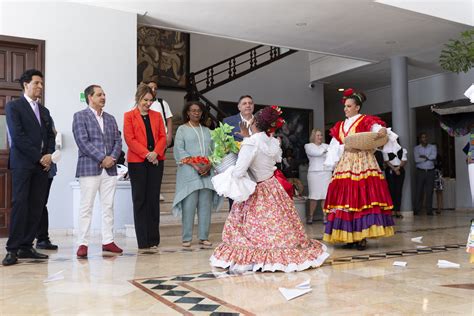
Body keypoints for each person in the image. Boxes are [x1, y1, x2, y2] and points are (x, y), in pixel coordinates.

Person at [210, 106, 329, 273]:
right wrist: (246, 137)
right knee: (279, 223)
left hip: (257, 189)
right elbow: (263, 153)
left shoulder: (251, 143)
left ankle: (259, 256)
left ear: (254, 121)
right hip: (273, 187)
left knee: (253, 227)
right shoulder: (272, 141)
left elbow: (239, 172)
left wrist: (226, 170)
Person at [323, 88, 397, 251]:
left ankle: (362, 236)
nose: (345, 109)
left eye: (349, 106)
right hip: (346, 162)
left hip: (363, 162)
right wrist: (342, 151)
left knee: (362, 198)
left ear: (357, 107)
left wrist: (382, 131)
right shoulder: (340, 126)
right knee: (346, 198)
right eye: (345, 106)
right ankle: (349, 235)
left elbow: (379, 130)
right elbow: (334, 146)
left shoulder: (365, 120)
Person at [2, 69, 55, 266]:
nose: (40, 86)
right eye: (37, 83)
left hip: (42, 167)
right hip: (23, 165)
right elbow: (18, 137)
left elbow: (50, 136)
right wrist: (40, 157)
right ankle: (12, 249)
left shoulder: (45, 111)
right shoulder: (14, 107)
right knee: (21, 205)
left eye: (41, 83)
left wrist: (49, 155)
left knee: (36, 206)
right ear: (26, 84)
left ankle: (26, 246)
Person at [72, 85, 123, 258]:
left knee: (108, 206)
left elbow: (118, 141)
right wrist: (103, 158)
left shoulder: (111, 118)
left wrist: (112, 158)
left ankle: (108, 241)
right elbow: (82, 142)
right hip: (90, 167)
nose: (103, 97)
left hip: (110, 170)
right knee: (86, 207)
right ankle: (83, 244)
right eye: (99, 94)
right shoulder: (80, 117)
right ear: (90, 97)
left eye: (104, 94)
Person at [172, 101, 222, 247]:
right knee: (189, 206)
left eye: (198, 111)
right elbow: (179, 150)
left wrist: (209, 164)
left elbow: (215, 151)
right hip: (189, 172)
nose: (196, 113)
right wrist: (195, 165)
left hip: (207, 172)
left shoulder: (208, 131)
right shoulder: (182, 129)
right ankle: (187, 238)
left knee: (205, 205)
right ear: (187, 112)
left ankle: (203, 236)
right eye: (193, 110)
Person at [123, 84, 167, 249]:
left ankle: (154, 239)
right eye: (145, 100)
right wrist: (147, 154)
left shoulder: (157, 116)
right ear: (138, 99)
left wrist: (155, 152)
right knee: (140, 199)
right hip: (138, 162)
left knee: (153, 199)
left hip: (157, 160)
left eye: (151, 100)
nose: (148, 103)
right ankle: (143, 240)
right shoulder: (129, 116)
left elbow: (163, 136)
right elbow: (130, 139)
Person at [223, 95, 255, 210]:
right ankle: (235, 227)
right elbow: (223, 145)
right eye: (244, 103)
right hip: (237, 167)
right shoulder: (228, 121)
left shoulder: (260, 122)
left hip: (256, 169)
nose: (248, 105)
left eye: (250, 103)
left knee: (254, 204)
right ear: (239, 107)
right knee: (236, 203)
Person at [36, 122, 59, 250]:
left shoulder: (45, 115)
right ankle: (25, 238)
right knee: (26, 203)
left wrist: (49, 158)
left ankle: (42, 238)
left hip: (48, 168)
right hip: (30, 165)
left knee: (42, 203)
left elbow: (53, 135)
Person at [304, 129, 332, 224]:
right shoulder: (308, 146)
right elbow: (316, 153)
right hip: (314, 173)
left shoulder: (326, 146)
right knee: (313, 197)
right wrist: (326, 150)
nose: (320, 137)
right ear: (313, 136)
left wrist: (326, 150)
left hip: (326, 173)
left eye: (321, 135)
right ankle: (310, 216)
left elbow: (331, 156)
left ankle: (325, 216)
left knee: (325, 196)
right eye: (318, 135)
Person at [413, 132, 437, 216]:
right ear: (420, 139)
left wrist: (424, 157)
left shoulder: (433, 147)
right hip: (420, 172)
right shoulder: (416, 148)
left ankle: (429, 210)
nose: (424, 139)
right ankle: (417, 209)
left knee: (429, 192)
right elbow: (416, 159)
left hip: (430, 171)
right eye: (423, 137)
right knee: (419, 191)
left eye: (426, 137)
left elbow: (433, 157)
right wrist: (427, 158)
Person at [145, 81, 174, 148]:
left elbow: (169, 120)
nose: (153, 90)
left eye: (155, 88)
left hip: (162, 137)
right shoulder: (141, 104)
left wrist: (169, 135)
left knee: (160, 158)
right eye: (151, 87)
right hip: (146, 137)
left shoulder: (162, 103)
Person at [383, 144, 408, 218]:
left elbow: (404, 160)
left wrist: (398, 168)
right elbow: (386, 161)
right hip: (391, 169)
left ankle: (398, 211)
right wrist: (394, 169)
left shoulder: (402, 149)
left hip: (400, 170)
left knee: (398, 190)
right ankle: (392, 210)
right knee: (391, 190)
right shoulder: (386, 150)